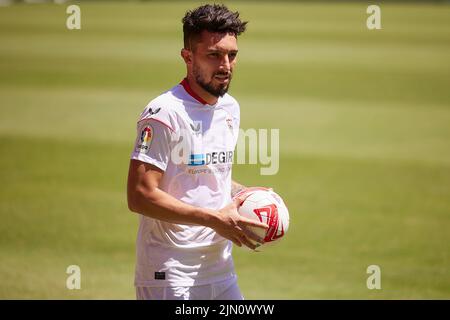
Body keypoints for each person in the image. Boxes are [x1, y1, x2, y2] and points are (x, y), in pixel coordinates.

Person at [127, 4, 268, 300]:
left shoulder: (230, 108)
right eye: (214, 55)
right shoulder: (163, 114)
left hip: (221, 269)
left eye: (232, 55)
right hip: (170, 273)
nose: (225, 65)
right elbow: (140, 194)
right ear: (188, 57)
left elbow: (206, 175)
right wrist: (212, 219)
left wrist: (247, 195)